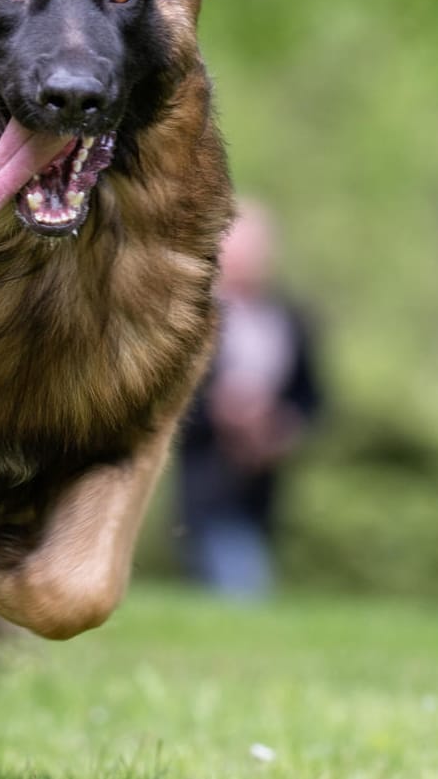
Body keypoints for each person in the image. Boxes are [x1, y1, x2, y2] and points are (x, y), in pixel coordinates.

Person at [178, 199, 322, 597]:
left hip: (263, 484)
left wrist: (284, 426)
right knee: (233, 571)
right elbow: (165, 402)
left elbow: (313, 396)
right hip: (205, 476)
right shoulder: (191, 315)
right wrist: (220, 413)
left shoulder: (290, 318)